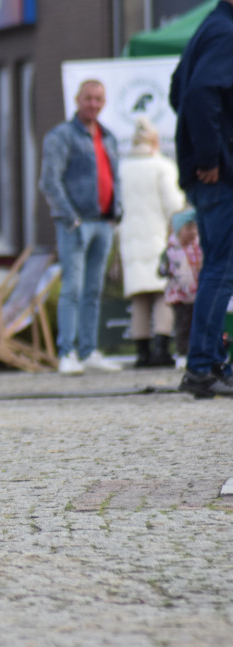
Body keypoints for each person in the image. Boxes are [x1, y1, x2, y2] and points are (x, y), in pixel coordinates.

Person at [170, 0, 233, 398]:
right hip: (219, 176)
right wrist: (211, 155)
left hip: (207, 174)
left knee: (217, 267)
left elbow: (178, 88)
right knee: (222, 270)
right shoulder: (227, 32)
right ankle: (202, 367)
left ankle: (206, 363)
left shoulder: (210, 27)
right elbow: (196, 94)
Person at [39, 79, 123, 376]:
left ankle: (88, 351)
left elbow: (115, 178)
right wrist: (71, 217)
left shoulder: (108, 137)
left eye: (99, 99)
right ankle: (67, 352)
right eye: (88, 98)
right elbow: (50, 180)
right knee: (73, 288)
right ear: (77, 99)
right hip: (76, 224)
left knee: (94, 289)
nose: (93, 104)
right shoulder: (61, 136)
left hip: (104, 222)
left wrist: (116, 212)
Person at [117, 117, 184, 369]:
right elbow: (173, 205)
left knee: (139, 296)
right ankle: (161, 349)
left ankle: (141, 353)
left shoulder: (122, 168)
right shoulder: (162, 166)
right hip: (158, 237)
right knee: (162, 293)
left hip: (130, 238)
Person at [161, 209, 203, 368]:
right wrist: (165, 269)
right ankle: (182, 353)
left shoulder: (199, 248)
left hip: (197, 294)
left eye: (195, 228)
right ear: (179, 230)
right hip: (179, 295)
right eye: (188, 228)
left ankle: (198, 353)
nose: (193, 232)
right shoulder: (171, 250)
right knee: (182, 326)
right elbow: (162, 269)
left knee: (199, 325)